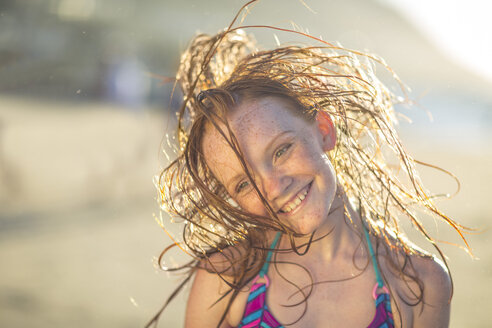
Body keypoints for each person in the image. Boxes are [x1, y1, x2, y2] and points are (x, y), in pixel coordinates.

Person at [148, 4, 470, 327]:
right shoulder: (225, 280)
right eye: (244, 184)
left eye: (281, 151)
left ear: (324, 130)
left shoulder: (420, 285)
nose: (273, 187)